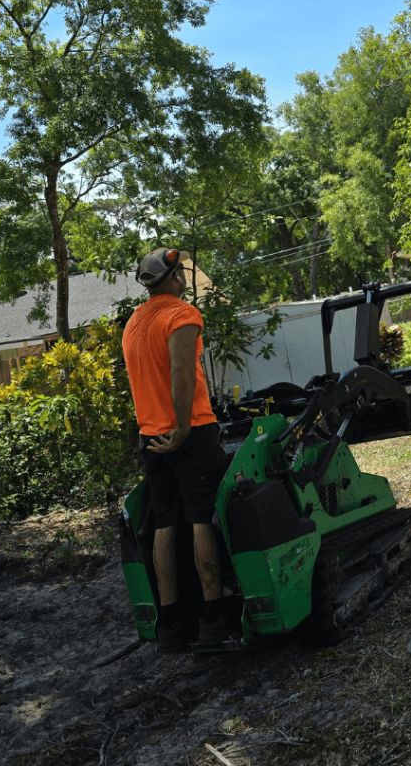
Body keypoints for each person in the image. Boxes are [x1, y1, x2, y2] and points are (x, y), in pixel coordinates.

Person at [122, 247, 235, 652]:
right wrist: (184, 427)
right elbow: (182, 373)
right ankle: (213, 619)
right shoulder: (182, 315)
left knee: (165, 524)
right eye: (182, 271)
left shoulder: (133, 322)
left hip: (151, 438)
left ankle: (170, 623)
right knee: (202, 519)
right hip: (190, 433)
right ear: (175, 278)